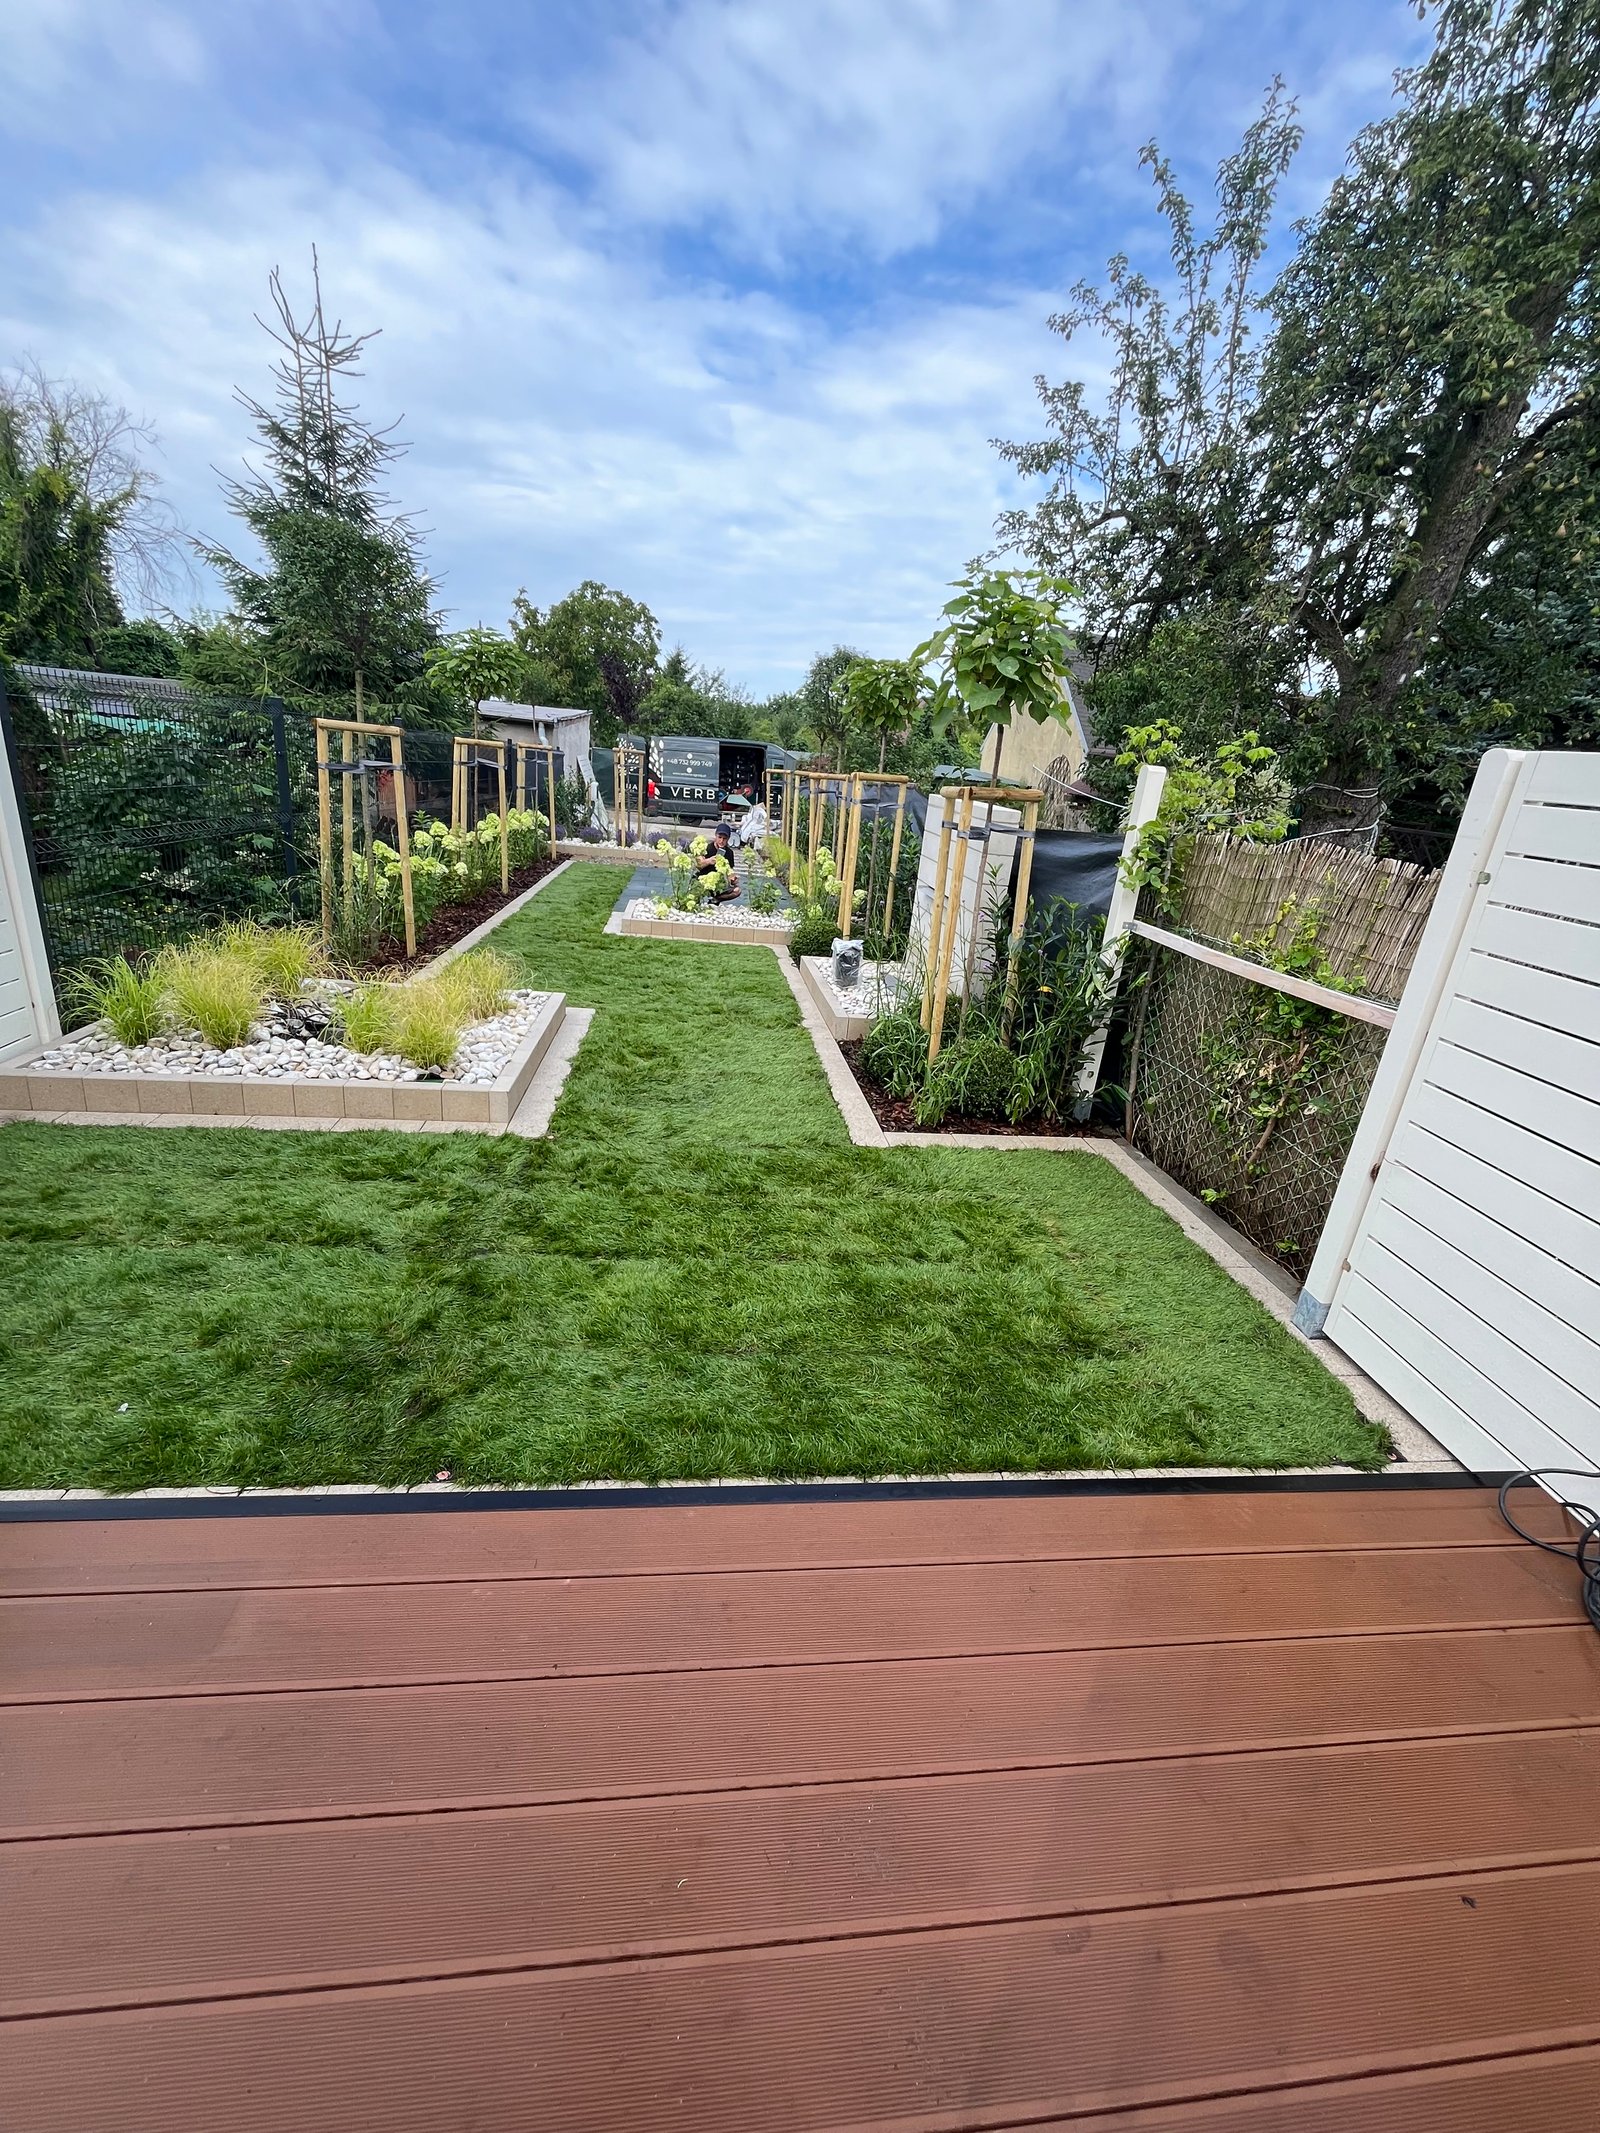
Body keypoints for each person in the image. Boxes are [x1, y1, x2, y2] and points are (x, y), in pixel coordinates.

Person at [696, 821, 740, 901]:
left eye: (724, 839)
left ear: (728, 839)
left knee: (737, 891)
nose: (721, 841)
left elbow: (730, 872)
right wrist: (708, 861)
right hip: (702, 881)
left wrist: (733, 880)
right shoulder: (706, 848)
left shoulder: (729, 853)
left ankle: (715, 900)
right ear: (715, 836)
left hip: (717, 884)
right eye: (719, 837)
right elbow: (698, 865)